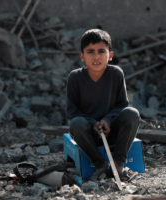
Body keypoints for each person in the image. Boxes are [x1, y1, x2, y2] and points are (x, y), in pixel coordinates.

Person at [66, 29, 140, 181]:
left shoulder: (116, 74)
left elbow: (122, 105)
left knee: (132, 113)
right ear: (82, 56)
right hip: (88, 136)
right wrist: (93, 123)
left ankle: (118, 163)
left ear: (110, 55)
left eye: (101, 51)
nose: (96, 56)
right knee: (77, 123)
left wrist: (108, 119)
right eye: (90, 51)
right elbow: (72, 111)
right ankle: (100, 165)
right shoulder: (75, 78)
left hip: (112, 132)